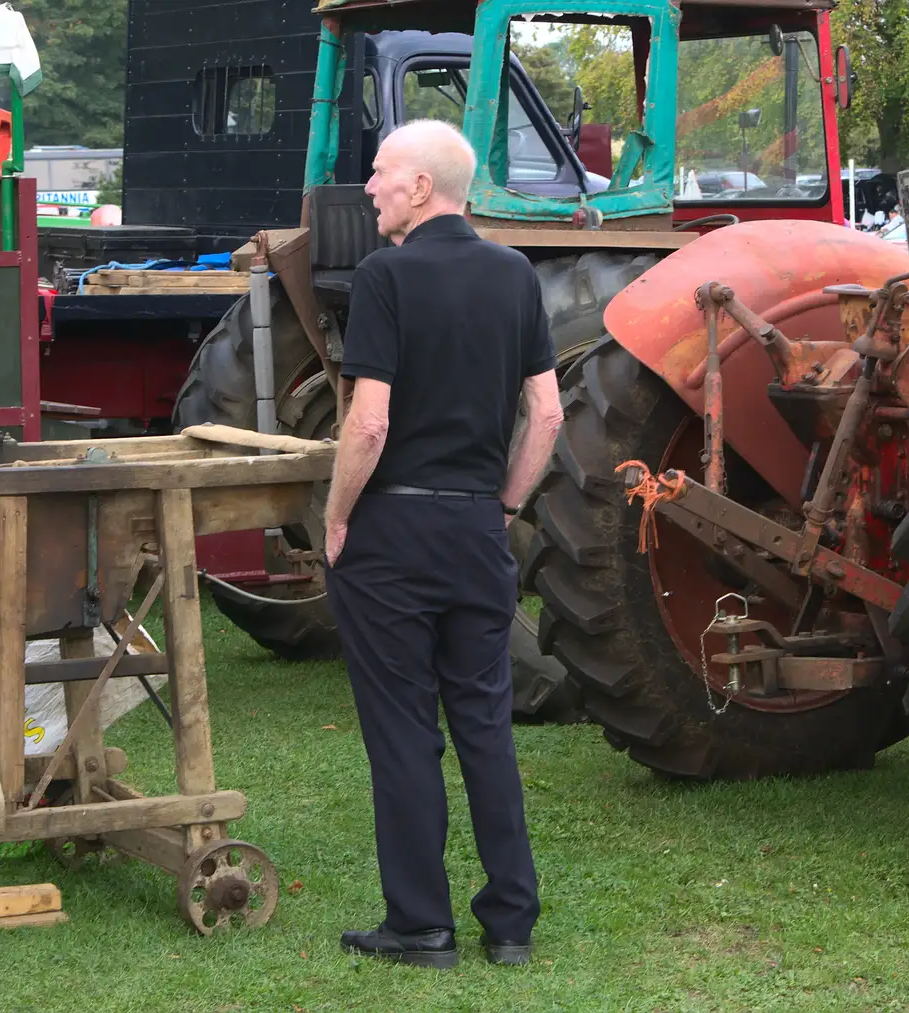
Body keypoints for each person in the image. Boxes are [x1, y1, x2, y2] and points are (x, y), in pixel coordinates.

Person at [323, 118, 563, 970]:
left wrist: (337, 514)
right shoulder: (515, 275)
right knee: (484, 723)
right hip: (474, 527)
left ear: (423, 186)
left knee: (402, 731)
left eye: (382, 173)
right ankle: (510, 924)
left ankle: (421, 926)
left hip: (392, 529)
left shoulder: (384, 276)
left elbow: (370, 420)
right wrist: (504, 503)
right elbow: (548, 412)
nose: (371, 187)